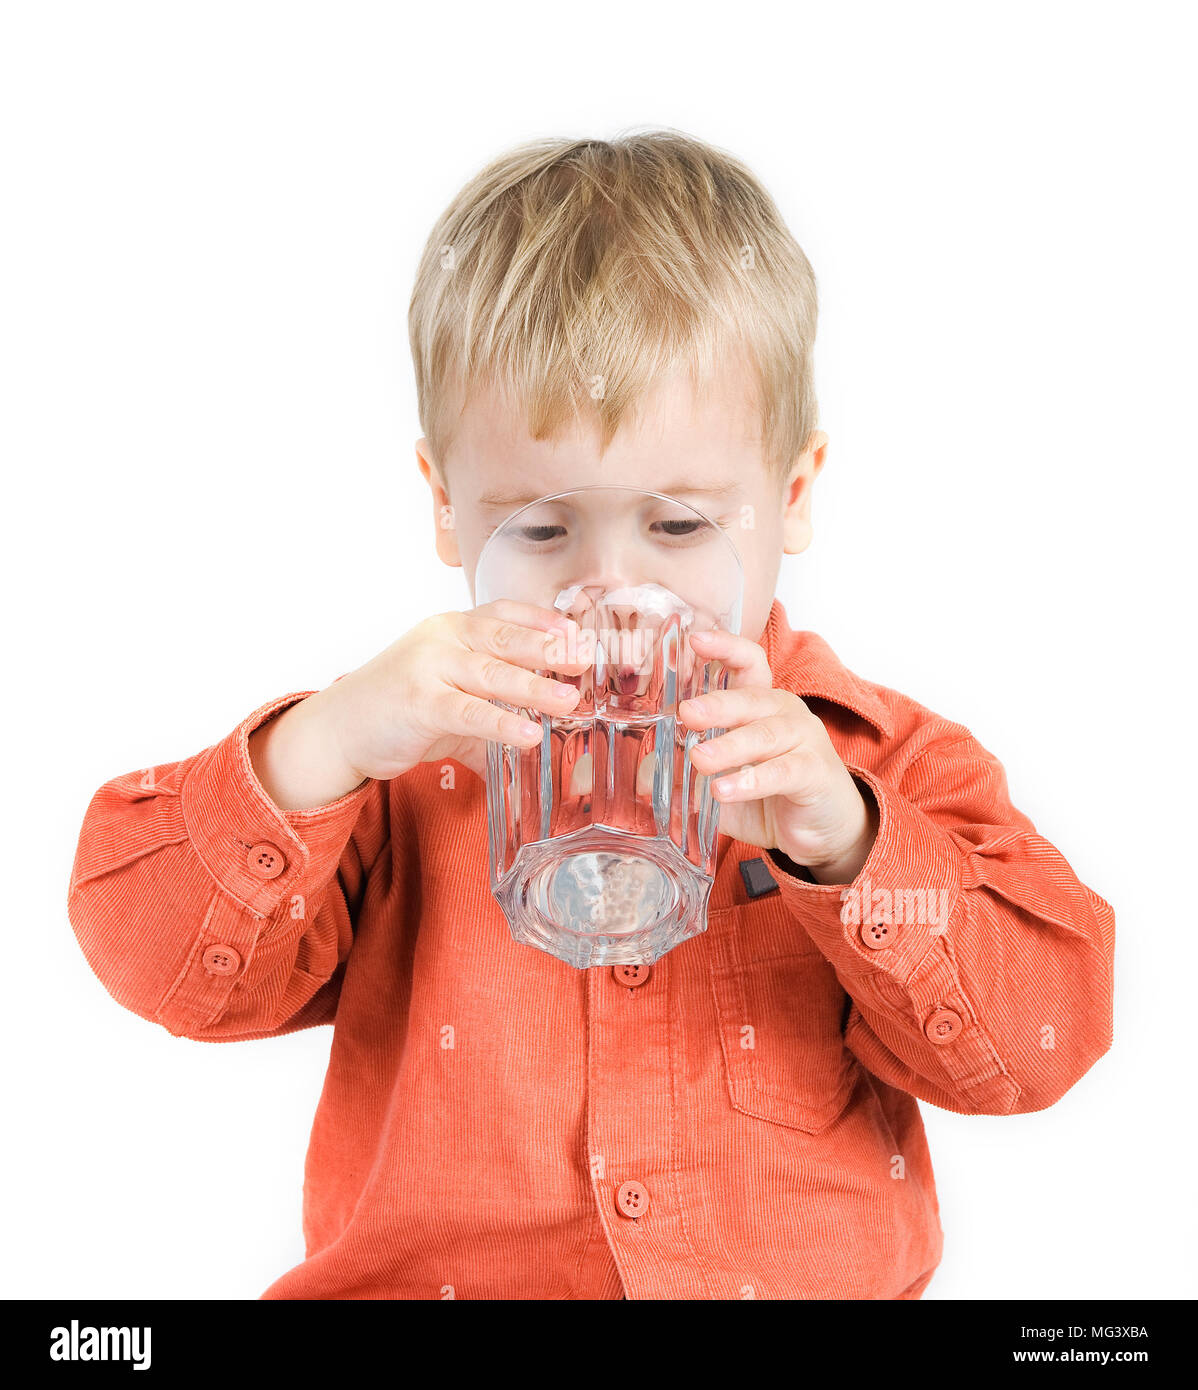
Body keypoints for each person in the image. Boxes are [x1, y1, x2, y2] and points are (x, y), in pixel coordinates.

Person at [67, 130, 1114, 1300]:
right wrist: (324, 744)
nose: (610, 587)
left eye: (677, 527)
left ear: (793, 496)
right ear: (448, 509)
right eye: (543, 527)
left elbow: (1045, 1041)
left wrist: (852, 845)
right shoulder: (398, 769)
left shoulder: (879, 761)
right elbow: (147, 957)